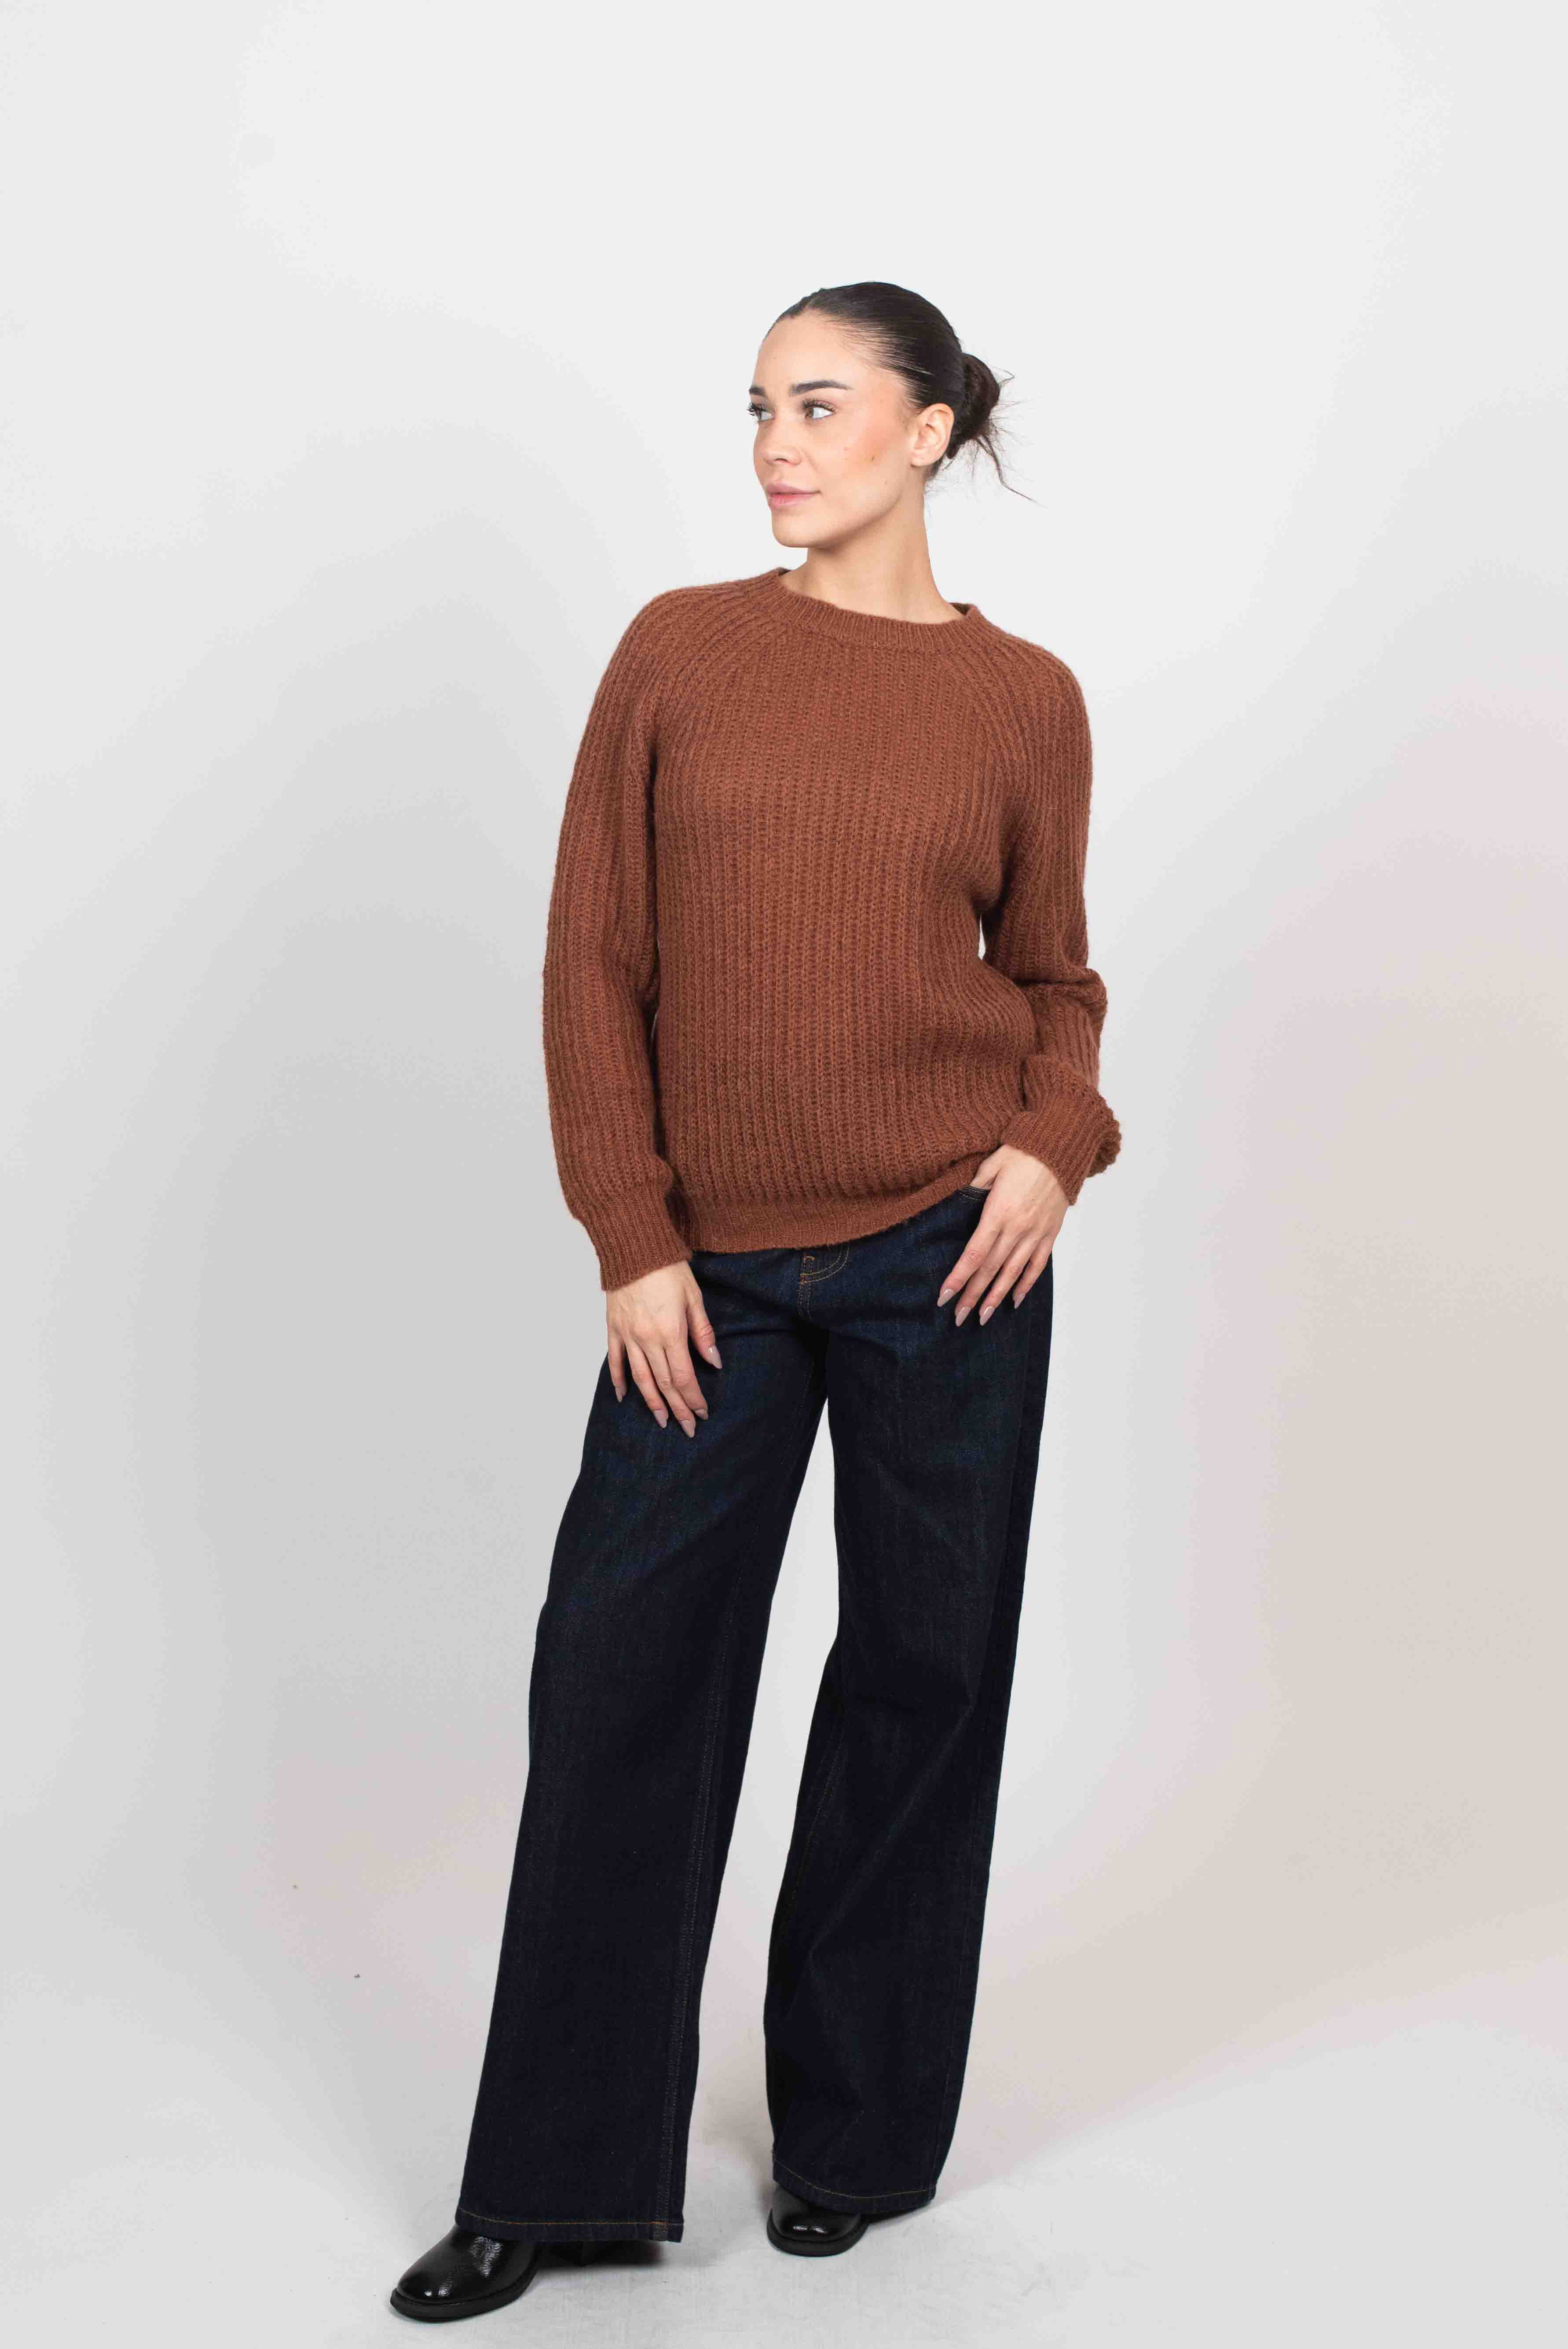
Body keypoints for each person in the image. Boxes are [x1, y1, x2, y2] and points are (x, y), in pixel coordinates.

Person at [390, 279, 1122, 2322]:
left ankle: (857, 2144)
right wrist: (631, 1234)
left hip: (948, 1258)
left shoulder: (1024, 699)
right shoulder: (681, 652)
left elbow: (1054, 978)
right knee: (619, 1681)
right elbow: (592, 958)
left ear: (928, 430)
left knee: (922, 1685)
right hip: (706, 1271)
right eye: (758, 410)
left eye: (818, 406)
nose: (775, 446)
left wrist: (1053, 1143)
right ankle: (557, 2180)